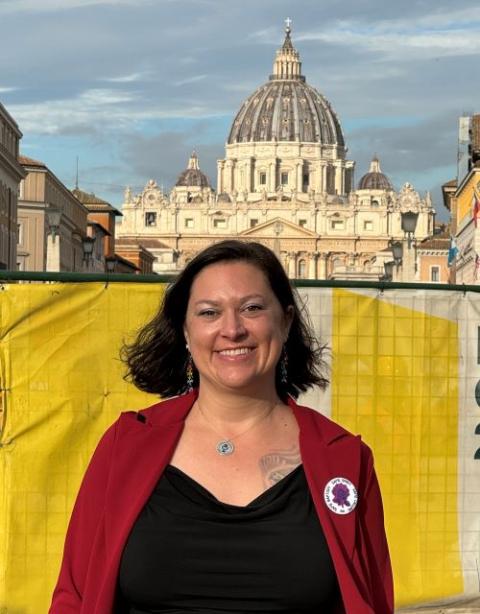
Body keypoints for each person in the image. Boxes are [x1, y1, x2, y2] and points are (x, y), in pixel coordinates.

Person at [49, 240, 393, 614]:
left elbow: (373, 597)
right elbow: (74, 593)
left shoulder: (345, 458)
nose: (232, 329)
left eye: (252, 308)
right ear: (185, 330)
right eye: (209, 312)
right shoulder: (125, 445)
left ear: (286, 320)